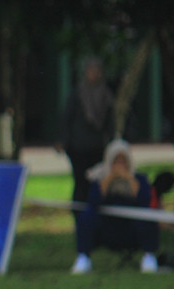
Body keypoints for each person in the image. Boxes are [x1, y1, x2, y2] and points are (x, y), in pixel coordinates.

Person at [71, 139, 158, 274]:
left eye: (123, 161)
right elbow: (94, 202)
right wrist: (110, 177)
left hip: (130, 227)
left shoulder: (139, 179)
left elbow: (143, 201)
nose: (120, 165)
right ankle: (83, 258)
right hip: (107, 226)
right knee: (86, 217)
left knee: (146, 218)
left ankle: (149, 257)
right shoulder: (99, 178)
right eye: (116, 161)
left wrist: (129, 178)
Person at [56, 56, 115, 231]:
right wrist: (62, 141)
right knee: (80, 183)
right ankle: (79, 219)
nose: (93, 73)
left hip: (97, 148)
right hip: (78, 148)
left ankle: (96, 221)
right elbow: (66, 117)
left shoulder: (106, 94)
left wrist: (112, 144)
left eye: (96, 70)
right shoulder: (78, 93)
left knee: (96, 184)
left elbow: (110, 122)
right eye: (90, 69)